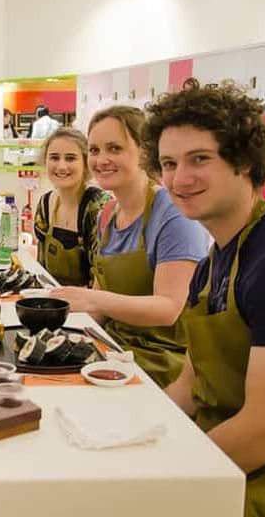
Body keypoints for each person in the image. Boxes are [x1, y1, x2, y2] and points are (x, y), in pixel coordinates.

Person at [144, 84, 265, 516]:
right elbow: (192, 384)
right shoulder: (212, 262)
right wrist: (138, 428)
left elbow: (263, 430)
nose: (180, 179)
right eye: (168, 163)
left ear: (245, 161)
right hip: (217, 457)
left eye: (200, 159)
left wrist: (164, 483)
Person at [51, 105, 209, 387]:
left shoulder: (173, 215)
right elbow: (98, 304)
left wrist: (93, 300)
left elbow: (168, 308)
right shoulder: (107, 214)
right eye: (95, 150)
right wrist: (59, 330)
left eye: (115, 148)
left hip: (159, 362)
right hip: (112, 347)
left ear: (146, 152)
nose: (101, 160)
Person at [33, 128, 110, 287]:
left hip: (90, 305)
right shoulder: (45, 204)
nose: (61, 166)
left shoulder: (99, 207)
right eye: (54, 157)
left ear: (86, 163)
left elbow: (103, 280)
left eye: (70, 158)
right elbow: (42, 271)